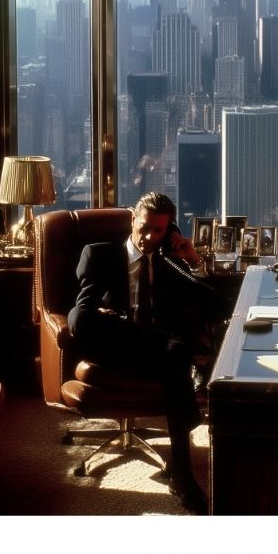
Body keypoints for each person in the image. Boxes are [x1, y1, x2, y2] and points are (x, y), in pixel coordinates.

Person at [67, 192, 211, 514]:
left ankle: (181, 472)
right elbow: (81, 316)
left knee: (175, 354)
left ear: (168, 230)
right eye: (144, 228)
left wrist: (192, 260)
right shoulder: (99, 255)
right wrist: (110, 319)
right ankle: (182, 474)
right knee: (175, 351)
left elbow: (213, 303)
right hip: (116, 346)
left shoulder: (167, 261)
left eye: (159, 231)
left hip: (157, 351)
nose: (149, 238)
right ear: (133, 219)